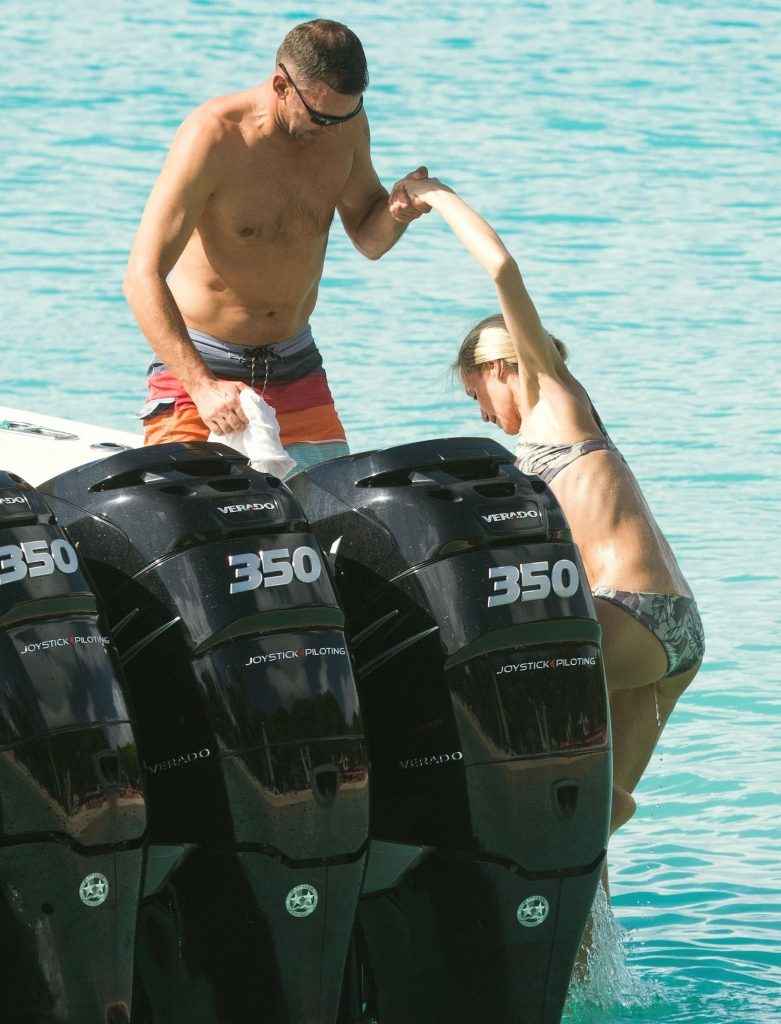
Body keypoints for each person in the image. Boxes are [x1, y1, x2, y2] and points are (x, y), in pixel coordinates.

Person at [400, 175, 704, 840]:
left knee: (479, 672)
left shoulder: (548, 392)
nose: (482, 413)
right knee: (595, 817)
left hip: (630, 616)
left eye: (475, 394)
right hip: (673, 631)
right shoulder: (572, 413)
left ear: (498, 368)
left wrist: (436, 198)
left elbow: (501, 268)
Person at [124, 19, 429, 472]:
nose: (332, 129)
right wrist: (202, 386)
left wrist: (398, 212)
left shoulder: (345, 126)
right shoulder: (214, 135)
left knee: (333, 507)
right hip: (201, 364)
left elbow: (370, 238)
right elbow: (141, 276)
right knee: (182, 504)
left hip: (295, 364)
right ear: (281, 86)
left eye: (346, 116)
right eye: (321, 117)